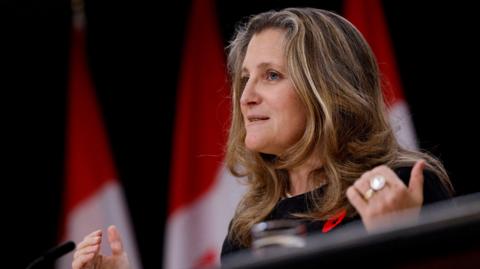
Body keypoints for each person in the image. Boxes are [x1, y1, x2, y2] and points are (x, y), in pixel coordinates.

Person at [71, 7, 453, 269]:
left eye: (271, 75)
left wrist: (398, 242)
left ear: (328, 89)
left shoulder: (400, 187)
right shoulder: (248, 229)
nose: (245, 96)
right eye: (244, 78)